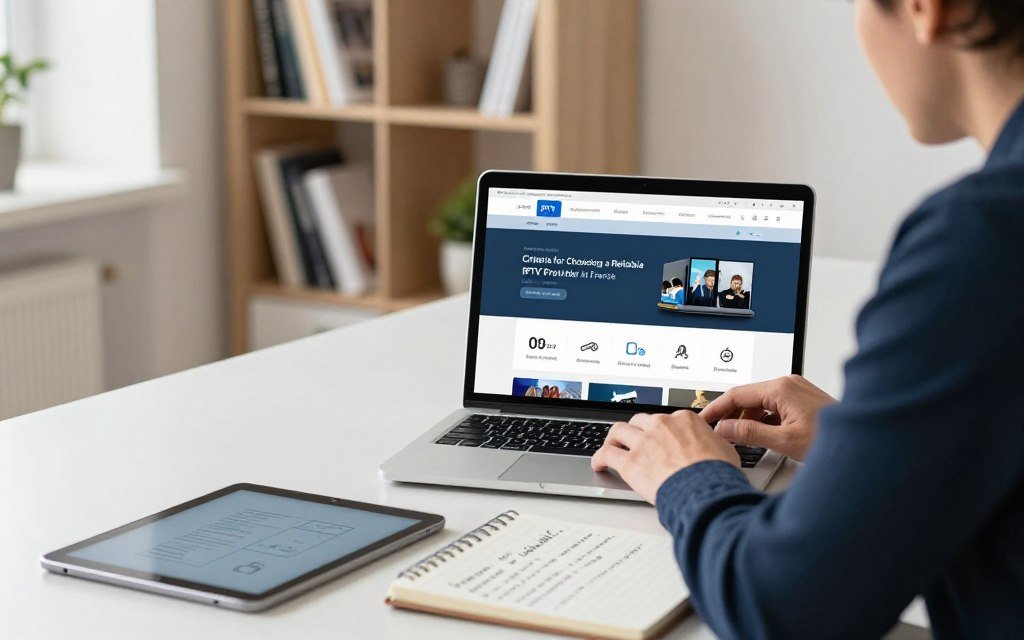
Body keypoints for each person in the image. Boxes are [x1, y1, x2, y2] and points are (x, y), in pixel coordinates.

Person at [592, 1, 1024, 637]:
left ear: (926, 11)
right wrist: (869, 450)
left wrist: (687, 475)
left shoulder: (984, 240)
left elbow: (783, 610)